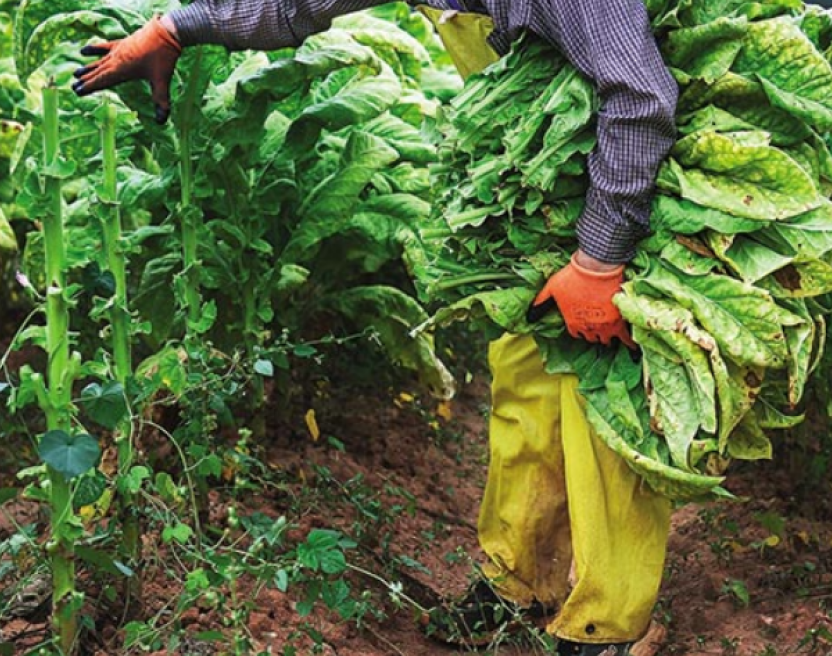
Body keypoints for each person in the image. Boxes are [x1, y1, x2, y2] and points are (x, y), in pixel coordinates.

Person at [74, 2, 677, 654]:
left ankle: (607, 624)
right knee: (524, 360)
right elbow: (294, 3)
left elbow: (642, 98)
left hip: (645, 159)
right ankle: (520, 577)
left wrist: (598, 259)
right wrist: (174, 29)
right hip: (554, 145)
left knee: (603, 374)